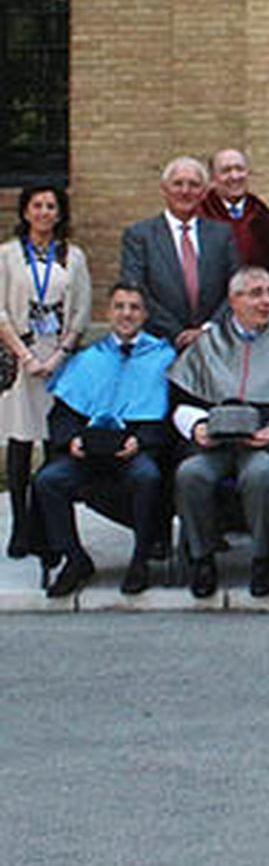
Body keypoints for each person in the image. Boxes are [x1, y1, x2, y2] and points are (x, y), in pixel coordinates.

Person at [168, 266, 269, 599]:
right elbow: (180, 401)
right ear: (233, 300)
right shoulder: (209, 343)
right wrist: (197, 427)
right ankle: (202, 558)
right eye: (255, 294)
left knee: (262, 473)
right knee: (191, 474)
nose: (266, 301)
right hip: (213, 444)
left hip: (263, 443)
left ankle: (262, 559)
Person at [33, 284, 173, 597]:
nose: (127, 314)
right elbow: (63, 413)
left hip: (135, 449)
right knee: (48, 481)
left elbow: (171, 415)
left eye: (134, 307)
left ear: (145, 314)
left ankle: (140, 560)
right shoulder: (87, 358)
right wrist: (71, 442)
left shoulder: (163, 357)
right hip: (88, 448)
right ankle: (75, 558)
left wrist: (143, 441)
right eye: (120, 307)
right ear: (108, 313)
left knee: (148, 477)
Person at [1, 184, 91, 557]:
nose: (43, 212)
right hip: (21, 357)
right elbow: (1, 311)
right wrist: (26, 356)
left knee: (56, 445)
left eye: (51, 206)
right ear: (25, 212)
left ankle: (50, 528)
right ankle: (21, 526)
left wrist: (58, 355)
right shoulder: (7, 255)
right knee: (21, 443)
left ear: (60, 212)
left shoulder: (74, 256)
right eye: (36, 205)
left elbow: (82, 310)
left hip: (59, 359)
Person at [119, 156, 239, 348]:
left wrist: (207, 330)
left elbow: (235, 288)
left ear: (204, 192)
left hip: (213, 344)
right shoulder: (139, 236)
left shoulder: (222, 235)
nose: (185, 191)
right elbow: (136, 290)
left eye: (194, 185)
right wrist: (177, 333)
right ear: (164, 189)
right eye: (177, 184)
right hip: (159, 343)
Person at [199, 149, 269, 273]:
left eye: (239, 169)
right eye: (226, 171)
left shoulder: (263, 216)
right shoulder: (200, 215)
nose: (234, 176)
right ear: (213, 178)